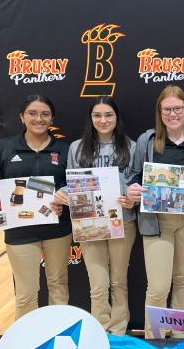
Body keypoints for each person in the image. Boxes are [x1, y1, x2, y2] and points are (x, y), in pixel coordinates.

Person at [126, 85, 184, 338]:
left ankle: (180, 335)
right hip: (156, 221)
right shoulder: (148, 140)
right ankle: (156, 337)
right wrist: (131, 189)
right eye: (167, 110)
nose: (172, 114)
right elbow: (132, 175)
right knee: (159, 286)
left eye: (177, 108)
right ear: (160, 112)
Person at [0, 94, 71, 320]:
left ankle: (58, 334)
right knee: (26, 293)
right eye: (32, 113)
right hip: (20, 234)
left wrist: (64, 197)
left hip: (57, 230)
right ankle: (26, 340)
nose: (38, 118)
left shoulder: (64, 149)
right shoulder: (5, 148)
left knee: (58, 284)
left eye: (44, 114)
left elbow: (73, 186)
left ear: (52, 119)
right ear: (22, 117)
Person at [53, 96, 136, 336]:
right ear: (90, 119)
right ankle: (100, 329)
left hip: (123, 222)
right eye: (97, 115)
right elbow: (73, 184)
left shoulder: (130, 146)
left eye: (108, 115)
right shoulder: (77, 147)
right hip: (89, 223)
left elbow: (135, 182)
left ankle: (118, 331)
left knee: (119, 281)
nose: (103, 120)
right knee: (98, 284)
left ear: (116, 118)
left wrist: (131, 197)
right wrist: (63, 193)